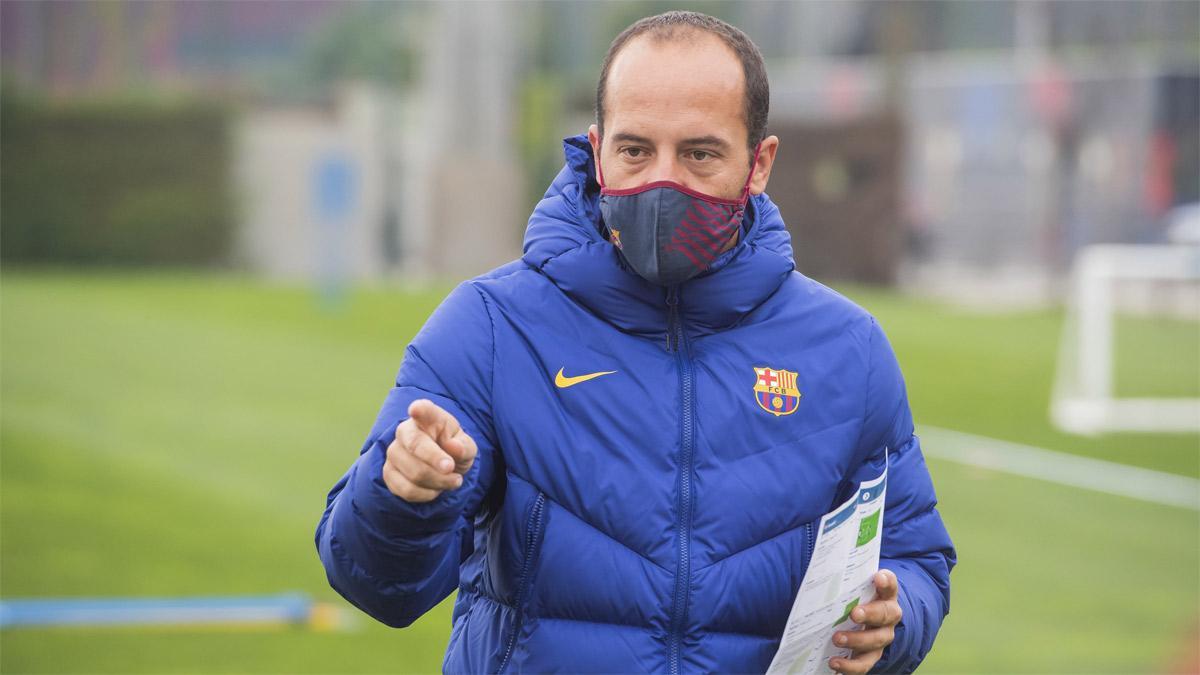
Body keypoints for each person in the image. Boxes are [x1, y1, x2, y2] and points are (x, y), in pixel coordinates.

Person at [315, 11, 955, 674]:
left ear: (758, 162)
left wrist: (894, 614)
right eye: (635, 150)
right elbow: (376, 583)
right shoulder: (491, 327)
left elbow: (915, 556)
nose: (662, 183)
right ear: (598, 151)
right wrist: (403, 495)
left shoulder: (846, 348)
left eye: (699, 153)